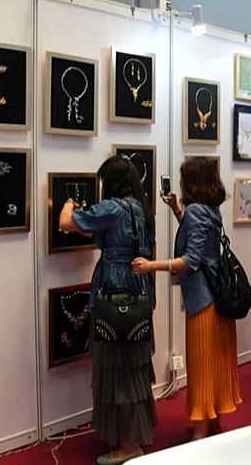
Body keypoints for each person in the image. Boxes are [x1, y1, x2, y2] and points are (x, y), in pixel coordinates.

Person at [132, 156, 242, 441]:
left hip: (203, 301)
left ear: (191, 183)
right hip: (218, 298)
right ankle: (213, 420)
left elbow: (191, 260)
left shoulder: (196, 211)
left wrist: (151, 265)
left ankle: (201, 431)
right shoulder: (210, 209)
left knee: (201, 366)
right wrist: (176, 209)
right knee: (216, 362)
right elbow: (199, 241)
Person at [59, 155, 156, 465]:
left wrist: (69, 203)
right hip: (138, 289)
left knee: (118, 370)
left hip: (115, 291)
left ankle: (128, 445)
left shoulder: (113, 208)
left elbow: (65, 222)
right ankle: (134, 434)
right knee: (132, 368)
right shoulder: (139, 208)